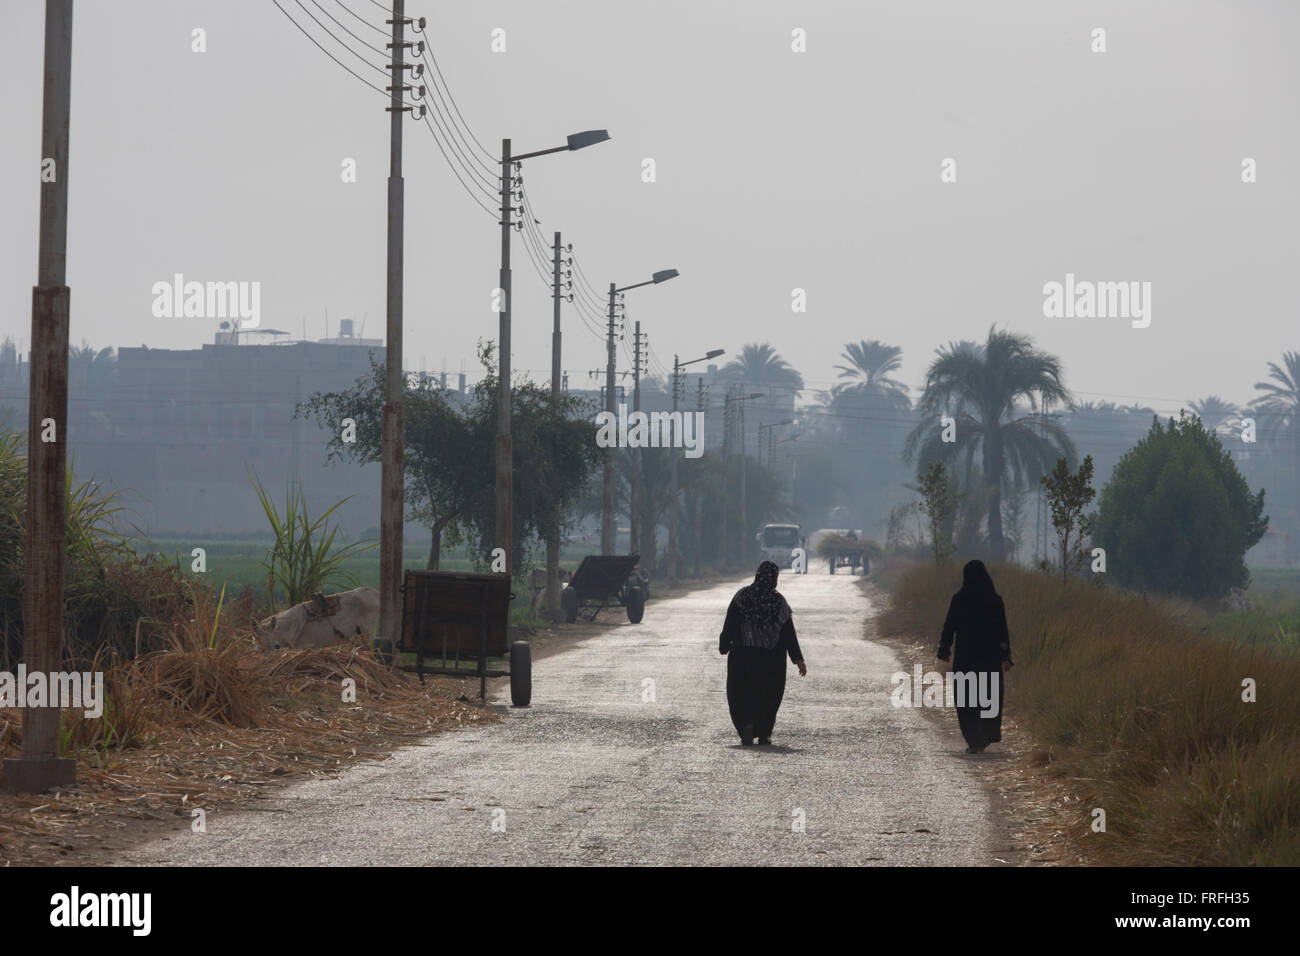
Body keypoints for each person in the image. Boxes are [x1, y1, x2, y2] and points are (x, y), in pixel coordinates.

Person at [719, 560, 807, 746]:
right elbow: (788, 633)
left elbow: (730, 623)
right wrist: (797, 659)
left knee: (741, 693)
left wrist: (724, 645)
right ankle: (764, 732)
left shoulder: (742, 597)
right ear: (774, 579)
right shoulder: (779, 602)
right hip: (771, 660)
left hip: (743, 656)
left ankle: (746, 726)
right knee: (768, 695)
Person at [937, 559, 1013, 753]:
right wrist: (1005, 656)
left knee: (966, 699)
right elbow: (1002, 631)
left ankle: (974, 739)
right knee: (990, 695)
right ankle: (987, 733)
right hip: (990, 658)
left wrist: (944, 650)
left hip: (966, 658)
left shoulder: (959, 599)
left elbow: (949, 627)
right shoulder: (995, 601)